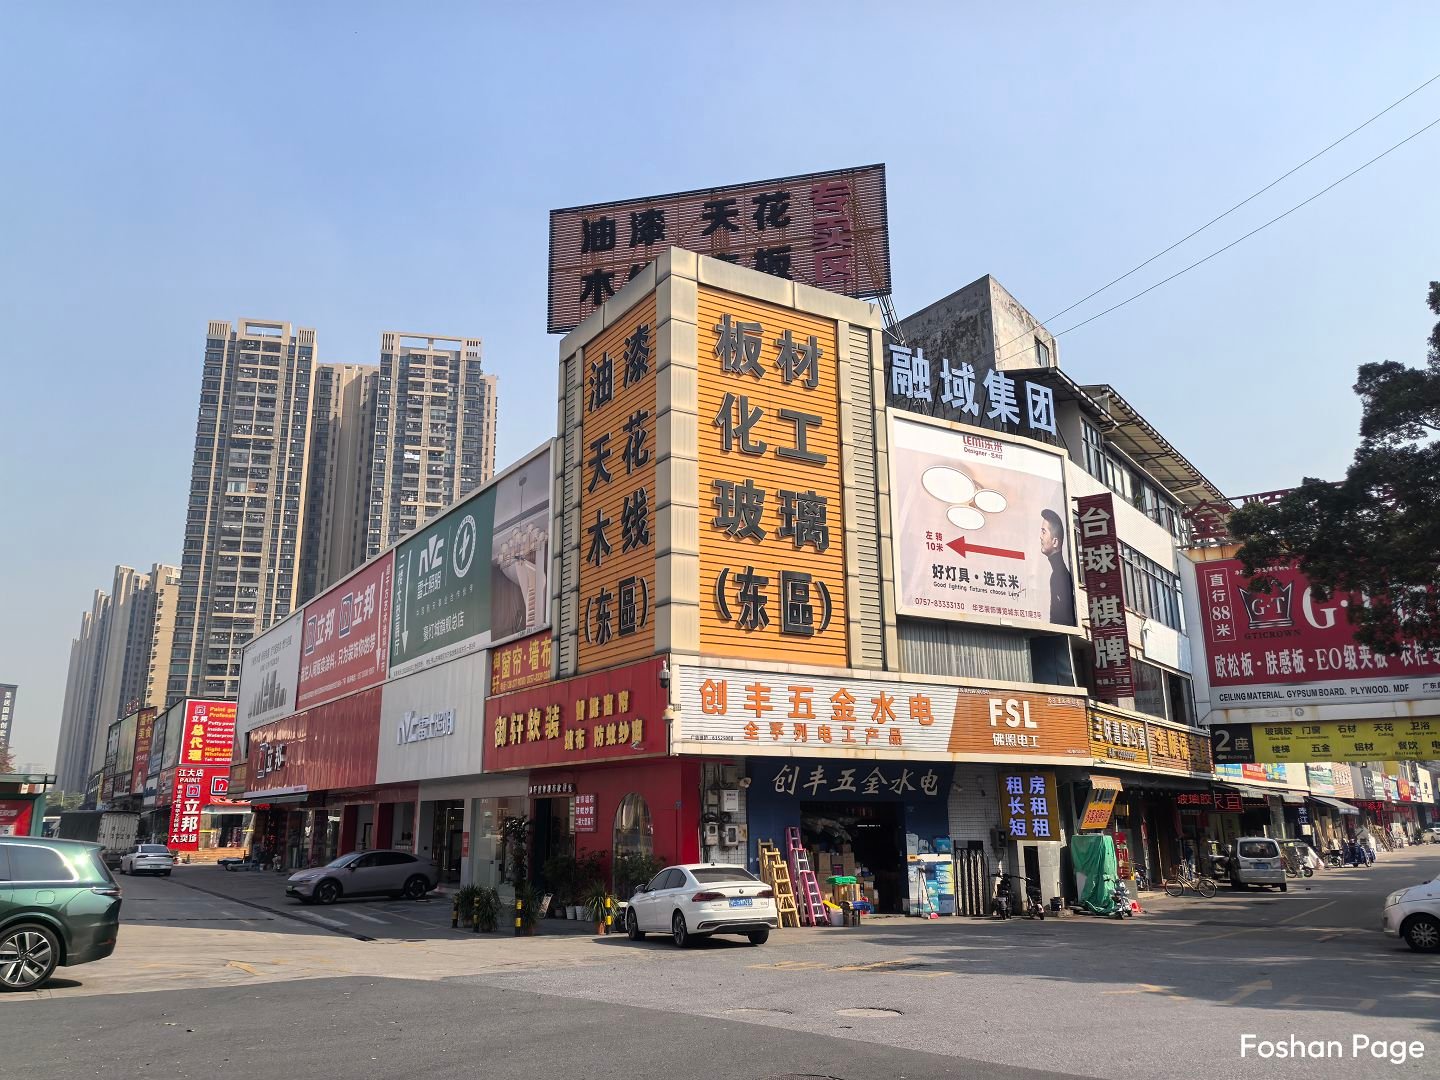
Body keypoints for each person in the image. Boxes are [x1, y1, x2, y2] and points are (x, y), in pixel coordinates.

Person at [1039, 508, 1076, 625]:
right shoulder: (1057, 574)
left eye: (1044, 532)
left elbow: (1060, 622)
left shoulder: (1059, 577)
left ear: (1055, 542)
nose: (1040, 537)